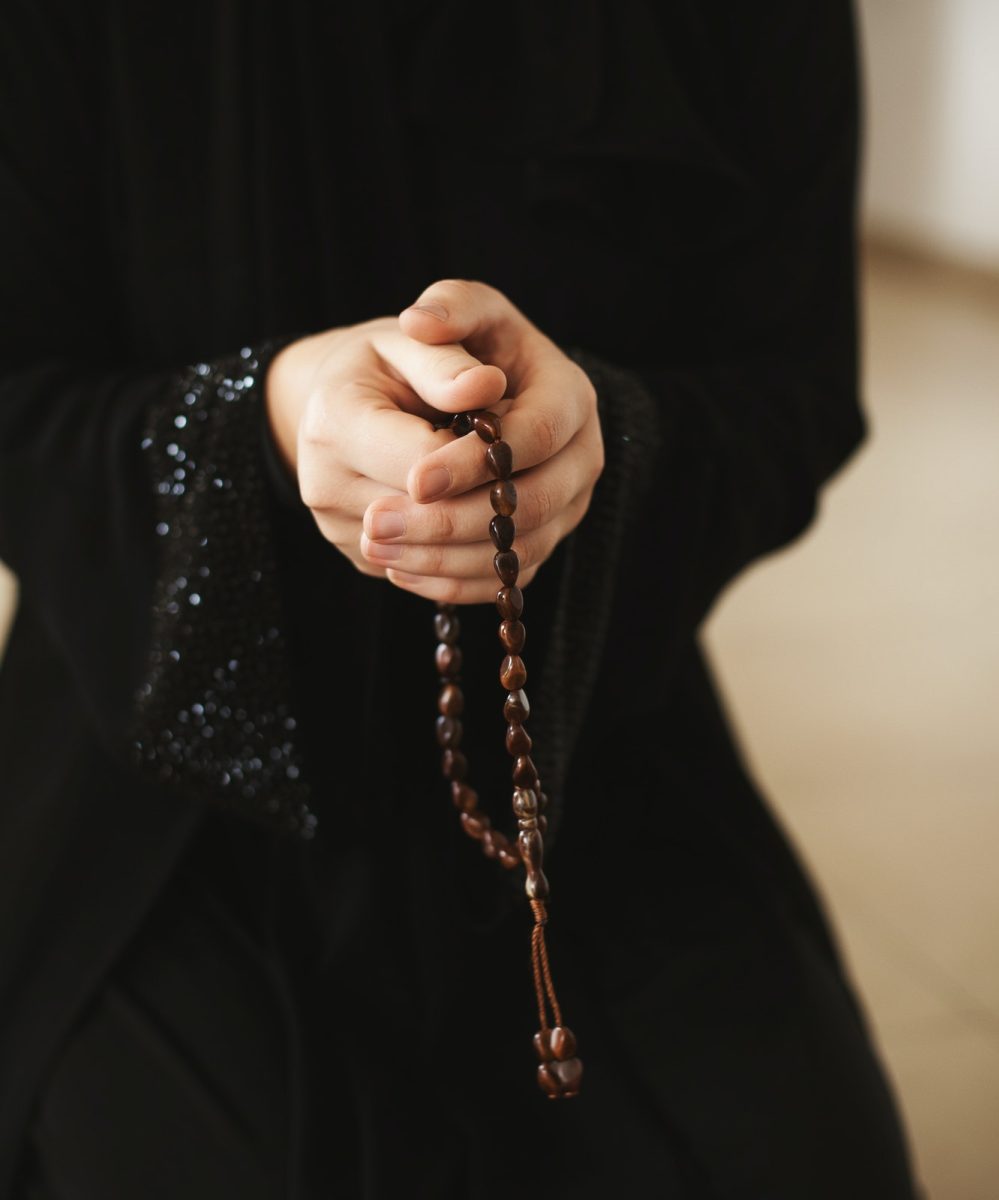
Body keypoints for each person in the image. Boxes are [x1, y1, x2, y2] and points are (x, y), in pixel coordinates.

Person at [0, 2, 922, 1196]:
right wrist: (264, 416)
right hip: (147, 739)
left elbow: (792, 381)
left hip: (591, 741)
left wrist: (605, 444)